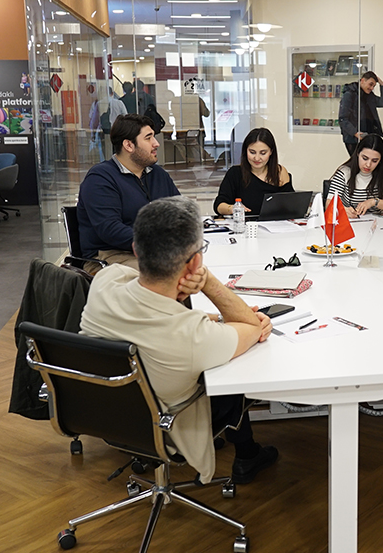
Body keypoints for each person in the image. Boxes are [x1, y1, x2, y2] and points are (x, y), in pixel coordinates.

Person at [80, 196, 278, 485]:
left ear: (135, 249)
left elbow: (147, 301)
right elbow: (251, 326)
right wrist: (206, 281)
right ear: (195, 261)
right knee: (236, 366)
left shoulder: (105, 281)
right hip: (167, 426)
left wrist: (208, 314)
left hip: (101, 411)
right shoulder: (194, 336)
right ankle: (247, 452)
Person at [77, 114, 180, 271]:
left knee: (198, 269)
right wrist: (154, 240)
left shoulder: (157, 174)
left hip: (155, 251)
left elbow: (180, 211)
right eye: (148, 138)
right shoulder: (100, 178)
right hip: (109, 256)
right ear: (129, 145)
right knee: (164, 273)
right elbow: (110, 229)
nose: (156, 143)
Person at [213, 127, 293, 216]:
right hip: (244, 223)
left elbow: (292, 204)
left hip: (276, 223)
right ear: (245, 150)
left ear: (271, 152)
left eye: (263, 153)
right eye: (252, 152)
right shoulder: (235, 173)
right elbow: (219, 205)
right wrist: (232, 208)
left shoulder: (279, 172)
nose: (257, 158)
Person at [326, 133, 383, 217]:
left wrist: (374, 202)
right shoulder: (344, 172)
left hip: (376, 221)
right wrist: (343, 210)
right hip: (350, 221)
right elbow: (329, 204)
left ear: (380, 160)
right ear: (358, 153)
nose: (368, 165)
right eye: (365, 158)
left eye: (374, 161)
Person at [339, 71, 383, 156]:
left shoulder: (369, 96)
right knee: (357, 162)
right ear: (362, 80)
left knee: (368, 161)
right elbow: (343, 118)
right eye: (370, 84)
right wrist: (355, 132)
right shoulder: (349, 94)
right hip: (353, 138)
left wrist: (382, 84)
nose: (372, 88)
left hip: (367, 135)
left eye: (374, 86)